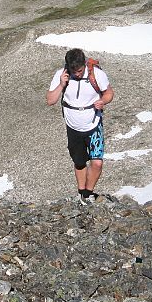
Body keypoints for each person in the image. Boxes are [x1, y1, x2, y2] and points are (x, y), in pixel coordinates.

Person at [46, 48, 114, 204]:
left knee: (97, 162)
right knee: (79, 162)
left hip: (93, 123)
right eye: (73, 71)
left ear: (84, 64)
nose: (77, 74)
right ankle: (82, 193)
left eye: (80, 70)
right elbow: (50, 100)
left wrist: (103, 101)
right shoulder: (61, 75)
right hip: (72, 125)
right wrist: (61, 84)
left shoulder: (96, 74)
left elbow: (109, 93)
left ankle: (88, 193)